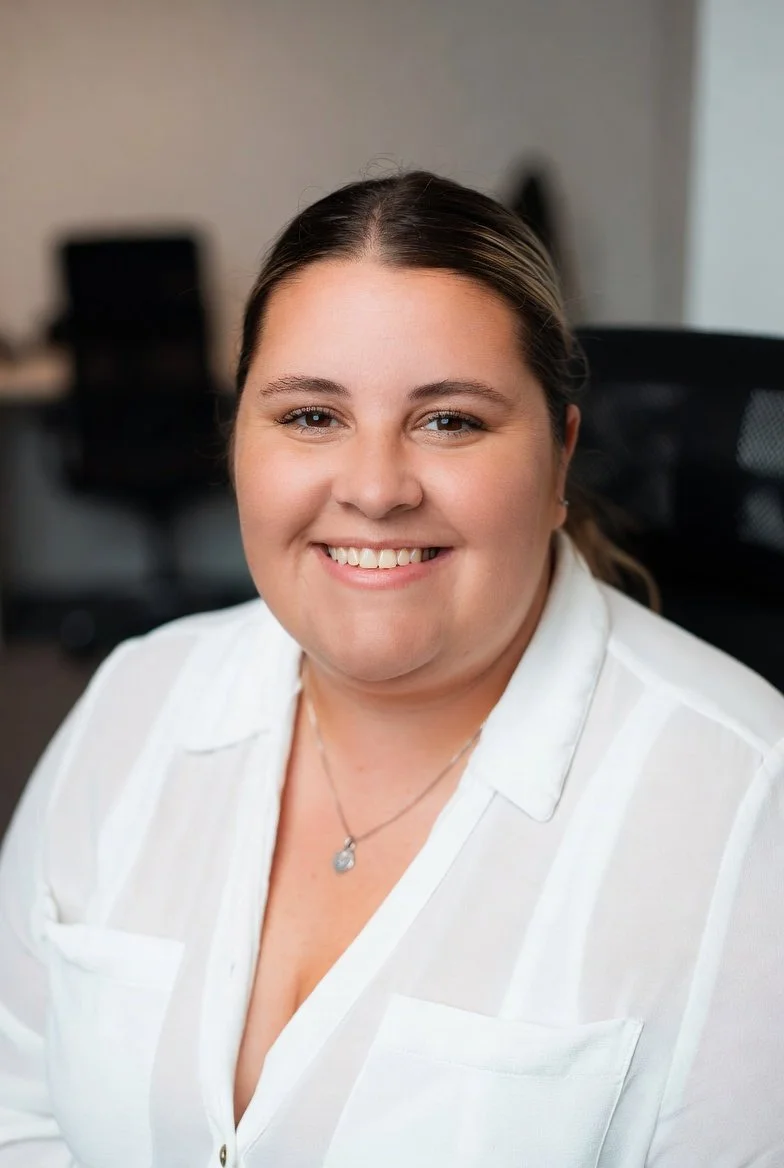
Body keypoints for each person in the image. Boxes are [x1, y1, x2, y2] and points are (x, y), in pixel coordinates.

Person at [1, 171, 782, 1168]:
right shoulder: (137, 698)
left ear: (557, 460)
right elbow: (16, 1105)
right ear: (238, 438)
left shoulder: (742, 802)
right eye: (311, 417)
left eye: (448, 419)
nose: (373, 490)